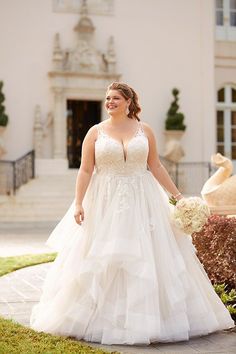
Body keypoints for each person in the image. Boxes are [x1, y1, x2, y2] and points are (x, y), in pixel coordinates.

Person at [30, 82, 234, 345]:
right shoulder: (94, 132)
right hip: (105, 201)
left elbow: (156, 166)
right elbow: (85, 170)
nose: (110, 102)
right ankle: (97, 318)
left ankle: (151, 320)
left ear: (128, 101)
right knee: (104, 258)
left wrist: (179, 197)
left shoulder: (144, 130)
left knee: (149, 256)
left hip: (143, 199)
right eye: (107, 99)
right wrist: (79, 203)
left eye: (115, 98)